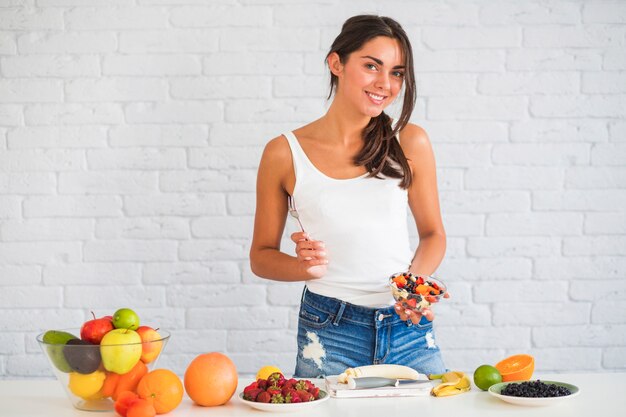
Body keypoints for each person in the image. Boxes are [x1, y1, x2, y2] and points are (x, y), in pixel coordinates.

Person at [249, 15, 448, 378]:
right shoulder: (284, 153)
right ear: (336, 63)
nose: (385, 84)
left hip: (407, 329)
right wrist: (300, 267)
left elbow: (433, 234)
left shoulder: (410, 142)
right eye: (371, 66)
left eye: (397, 73)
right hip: (328, 331)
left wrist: (411, 287)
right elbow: (260, 256)